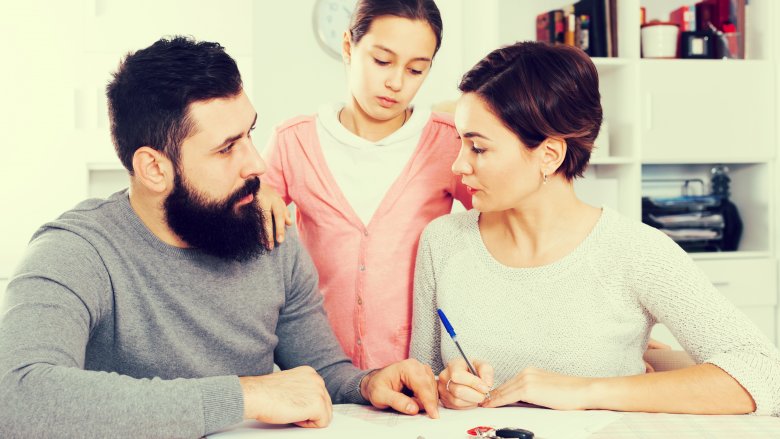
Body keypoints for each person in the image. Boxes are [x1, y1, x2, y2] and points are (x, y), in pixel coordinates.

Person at [0, 36, 440, 439]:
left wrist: (367, 383)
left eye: (249, 132)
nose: (256, 164)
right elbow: (15, 396)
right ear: (154, 168)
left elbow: (321, 372)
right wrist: (244, 396)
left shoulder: (268, 234)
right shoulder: (77, 250)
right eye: (227, 148)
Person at [409, 41, 780, 416]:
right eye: (460, 142)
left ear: (549, 155)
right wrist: (445, 386)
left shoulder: (636, 252)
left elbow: (766, 374)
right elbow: (421, 381)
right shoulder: (442, 242)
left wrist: (586, 391)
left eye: (478, 148)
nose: (457, 166)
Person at [262, 0, 471, 370]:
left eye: (416, 69)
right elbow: (245, 234)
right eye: (382, 61)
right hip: (319, 370)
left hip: (421, 372)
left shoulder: (448, 141)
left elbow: (501, 228)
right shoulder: (293, 141)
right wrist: (254, 195)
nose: (396, 82)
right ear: (348, 46)